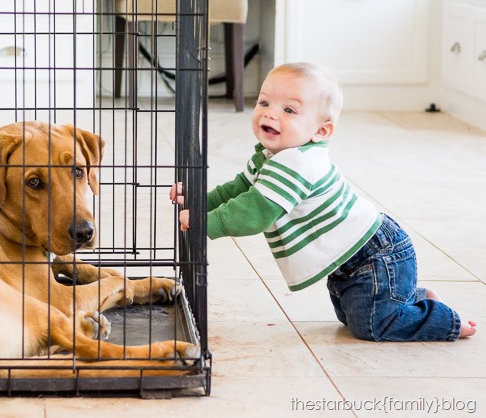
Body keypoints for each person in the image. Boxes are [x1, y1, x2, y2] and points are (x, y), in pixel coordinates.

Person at [171, 62, 477, 341]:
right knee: (348, 316)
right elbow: (237, 191)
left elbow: (258, 211)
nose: (270, 113)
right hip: (355, 258)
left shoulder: (297, 164)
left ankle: (445, 320)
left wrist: (204, 222)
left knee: (370, 325)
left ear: (321, 131)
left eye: (289, 110)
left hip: (376, 254)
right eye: (264, 102)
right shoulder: (271, 157)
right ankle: (409, 297)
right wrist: (198, 201)